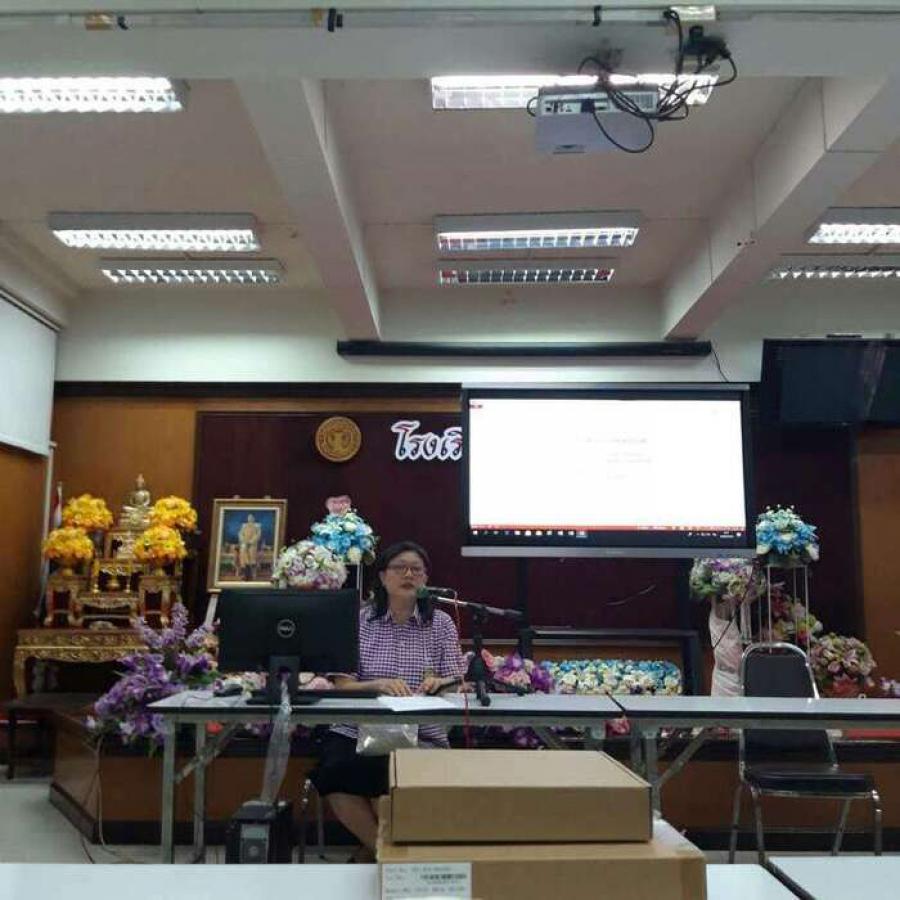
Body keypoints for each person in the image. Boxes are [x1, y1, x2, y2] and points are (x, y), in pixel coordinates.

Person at [309, 540, 464, 861]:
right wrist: (377, 685)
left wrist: (440, 683)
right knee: (335, 772)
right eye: (399, 568)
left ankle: (375, 855)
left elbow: (458, 681)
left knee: (391, 780)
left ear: (426, 579)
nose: (408, 575)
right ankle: (388, 857)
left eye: (416, 569)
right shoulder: (359, 621)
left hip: (420, 733)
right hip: (358, 729)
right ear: (382, 577)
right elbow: (342, 683)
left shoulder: (441, 623)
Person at [237, 514, 262, 579]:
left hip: (252, 544)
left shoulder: (257, 527)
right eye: (249, 518)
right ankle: (244, 573)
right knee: (243, 552)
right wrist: (244, 540)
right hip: (245, 543)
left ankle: (250, 574)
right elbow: (240, 534)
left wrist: (251, 541)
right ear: (247, 519)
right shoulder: (244, 526)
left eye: (251, 518)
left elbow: (258, 535)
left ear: (253, 519)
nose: (250, 519)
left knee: (251, 554)